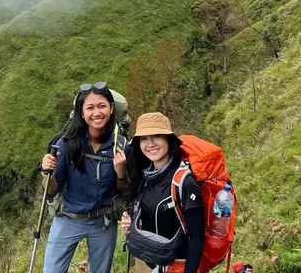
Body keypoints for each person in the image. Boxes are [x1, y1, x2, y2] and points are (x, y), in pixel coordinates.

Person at [41, 81, 130, 273]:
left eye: (102, 106)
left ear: (111, 108)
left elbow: (123, 190)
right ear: (82, 113)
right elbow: (52, 189)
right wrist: (46, 173)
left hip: (103, 221)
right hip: (68, 218)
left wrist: (121, 172)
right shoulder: (67, 144)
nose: (96, 112)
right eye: (90, 107)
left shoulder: (120, 145)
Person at [121, 112, 205, 273]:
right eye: (144, 139)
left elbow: (197, 239)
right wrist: (130, 220)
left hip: (178, 265)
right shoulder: (144, 176)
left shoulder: (184, 182)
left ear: (168, 139)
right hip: (147, 261)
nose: (150, 144)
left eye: (157, 136)